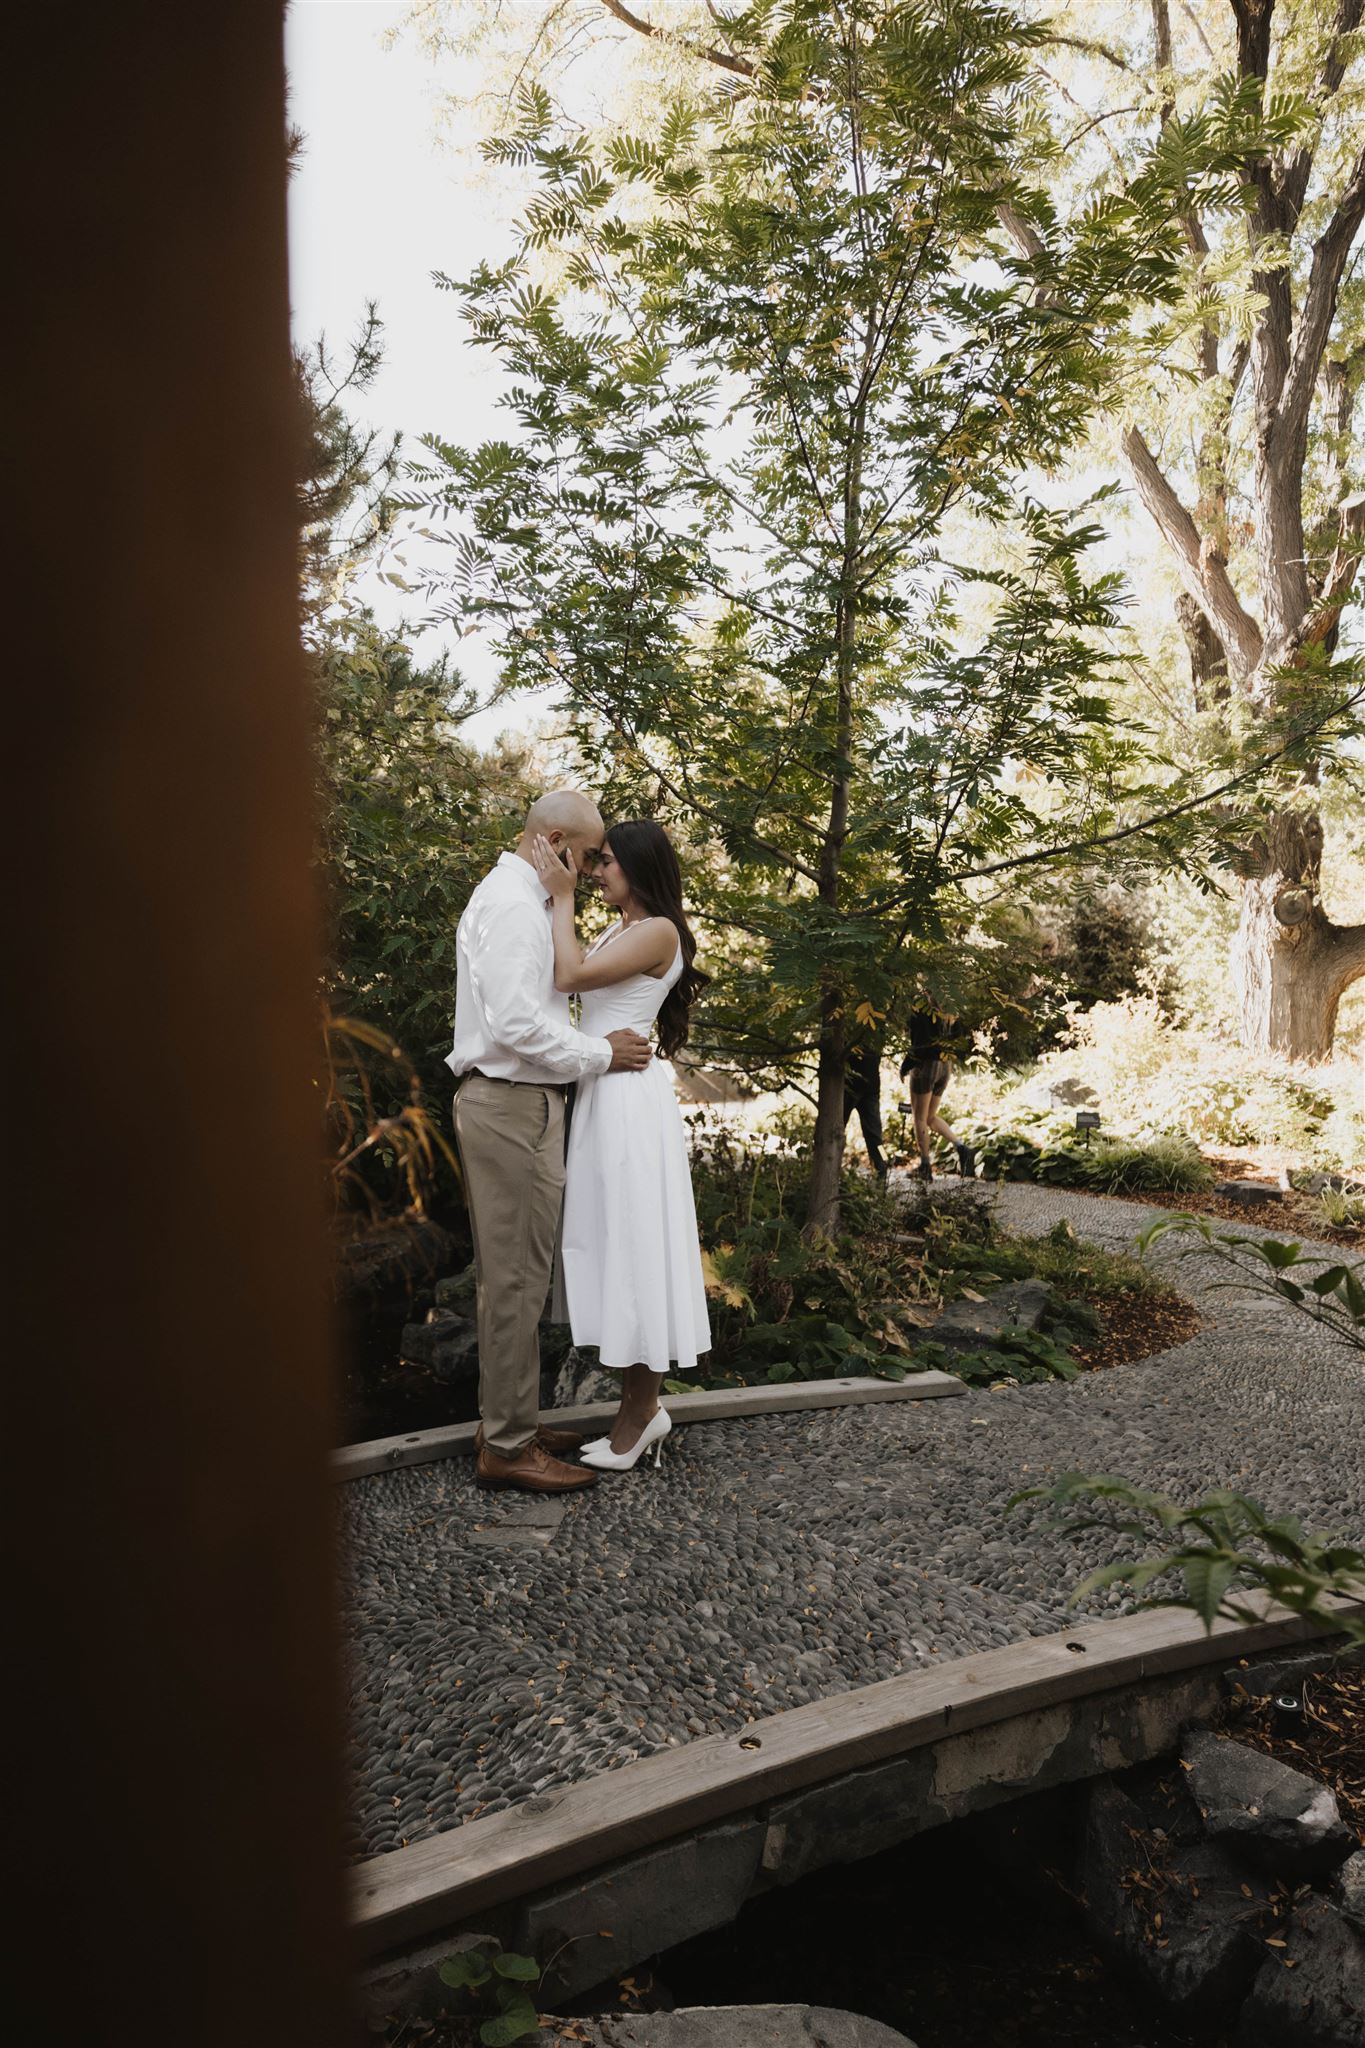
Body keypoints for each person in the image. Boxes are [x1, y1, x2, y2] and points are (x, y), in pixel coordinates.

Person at [448, 790, 654, 1495]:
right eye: (592, 854)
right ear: (558, 840)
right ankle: (506, 1447)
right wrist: (601, 1053)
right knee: (512, 1281)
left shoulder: (522, 901)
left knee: (520, 1278)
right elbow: (515, 1026)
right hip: (509, 1105)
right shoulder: (510, 905)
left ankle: (511, 1423)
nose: (596, 868)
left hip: (522, 1104)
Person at [532, 819, 712, 1473]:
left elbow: (570, 976)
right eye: (596, 861)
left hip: (630, 1105)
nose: (595, 871)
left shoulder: (658, 930)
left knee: (635, 1245)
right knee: (613, 1244)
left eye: (606, 862)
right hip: (605, 1094)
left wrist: (559, 897)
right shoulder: (625, 928)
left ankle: (639, 1416)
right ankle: (633, 1412)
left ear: (638, 866)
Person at [900, 1005, 975, 1182]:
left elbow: (919, 1043)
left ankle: (925, 1167)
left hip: (925, 1065)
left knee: (919, 1117)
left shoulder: (922, 1008)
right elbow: (958, 1038)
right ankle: (961, 1147)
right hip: (945, 1065)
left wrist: (906, 1066)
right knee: (930, 1117)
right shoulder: (950, 1008)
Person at [843, 1031, 887, 1179]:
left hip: (869, 1088)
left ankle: (883, 1169)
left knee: (876, 1137)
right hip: (850, 1086)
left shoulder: (877, 1024)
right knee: (834, 1131)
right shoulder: (848, 1021)